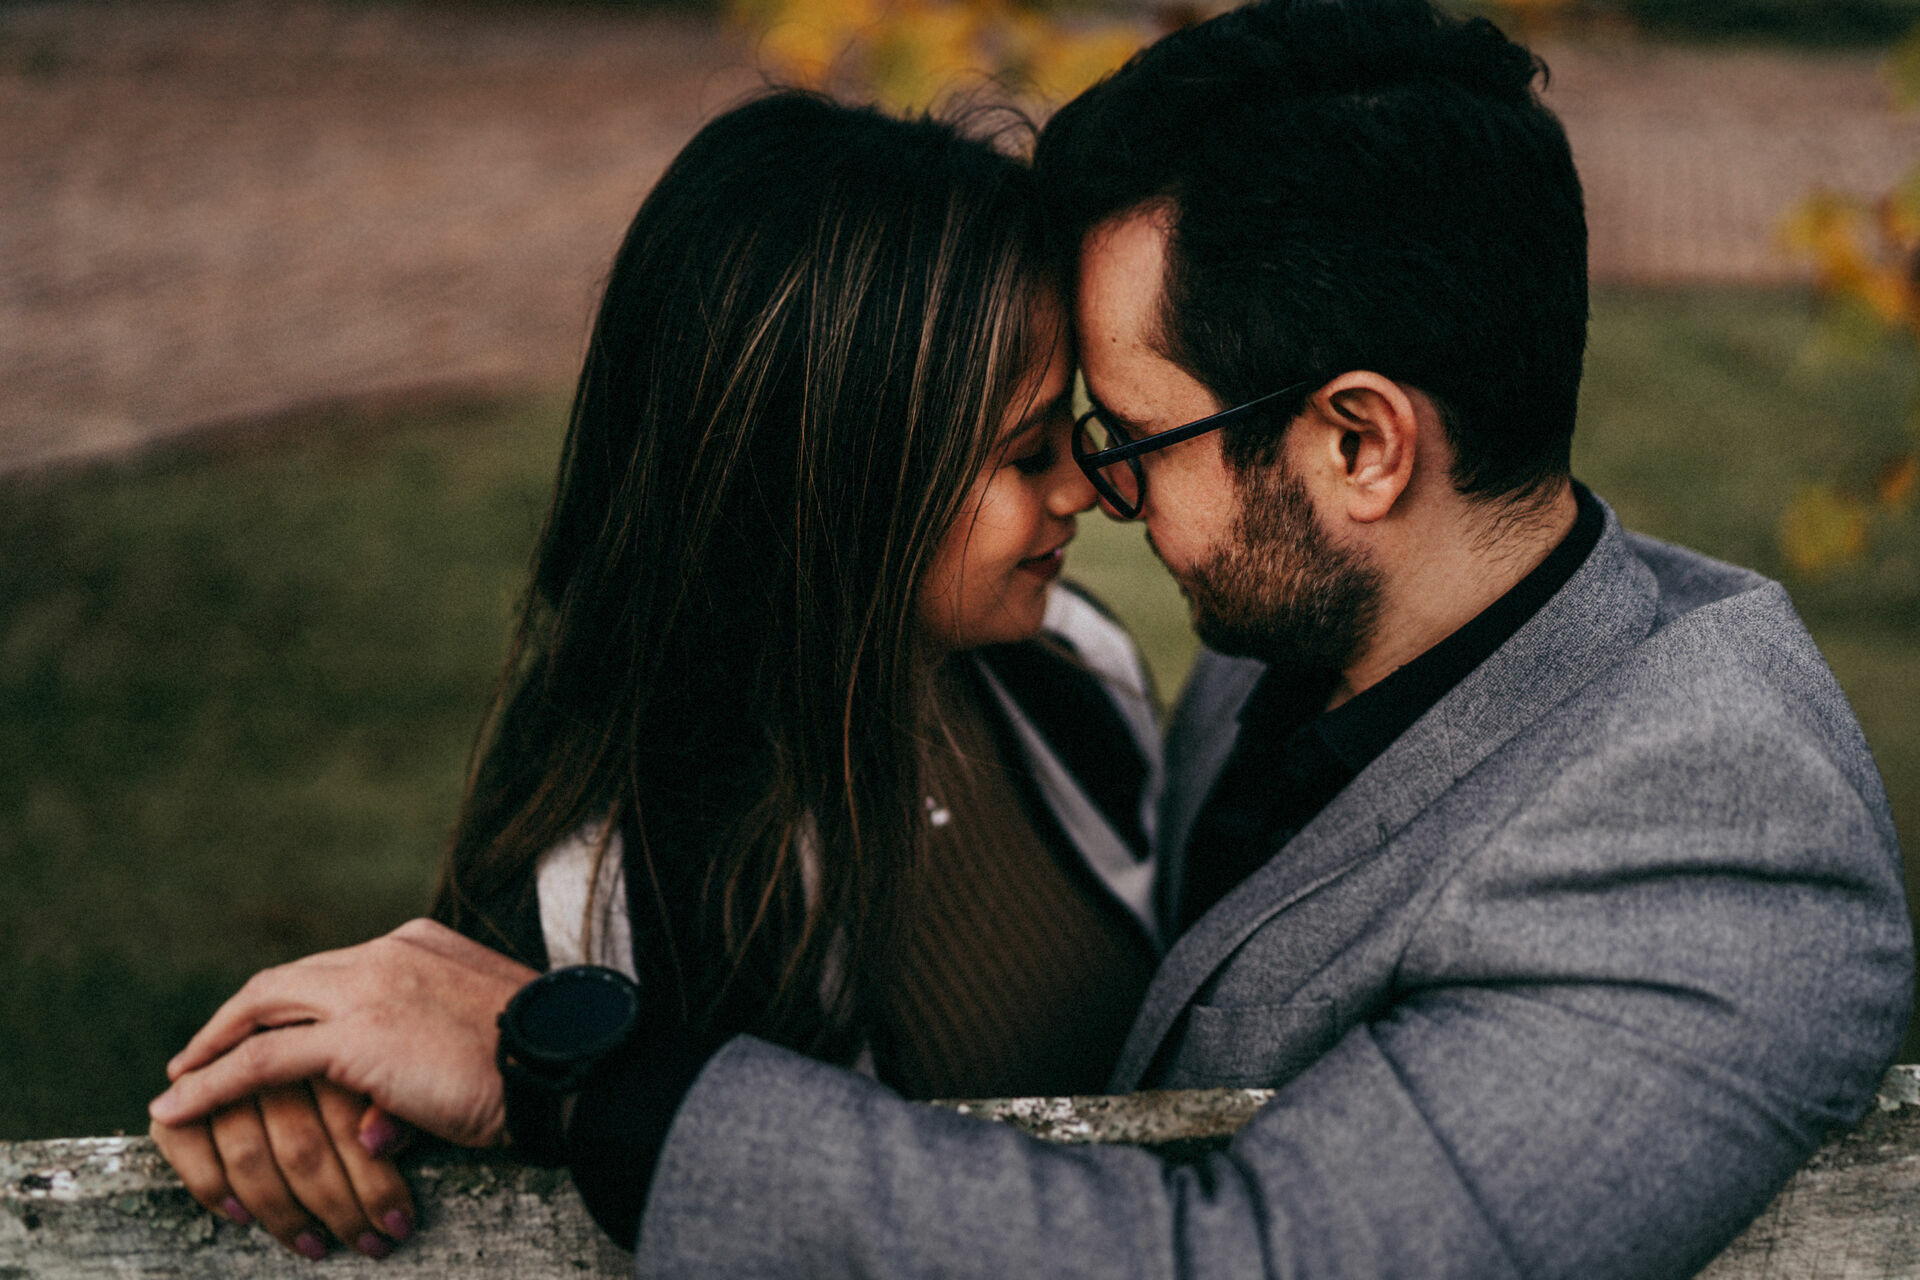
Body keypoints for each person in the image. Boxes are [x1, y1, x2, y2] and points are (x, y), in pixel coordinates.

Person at [151, 3, 1914, 1276]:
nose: (1106, 493)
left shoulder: (1717, 858)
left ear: (1362, 446)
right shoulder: (1304, 629)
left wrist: (596, 1079)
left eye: (1133, 437)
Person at [148, 90, 1166, 1261]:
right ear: (832, 476)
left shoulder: (1074, 672)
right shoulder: (602, 900)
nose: (1080, 490)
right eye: (1026, 451)